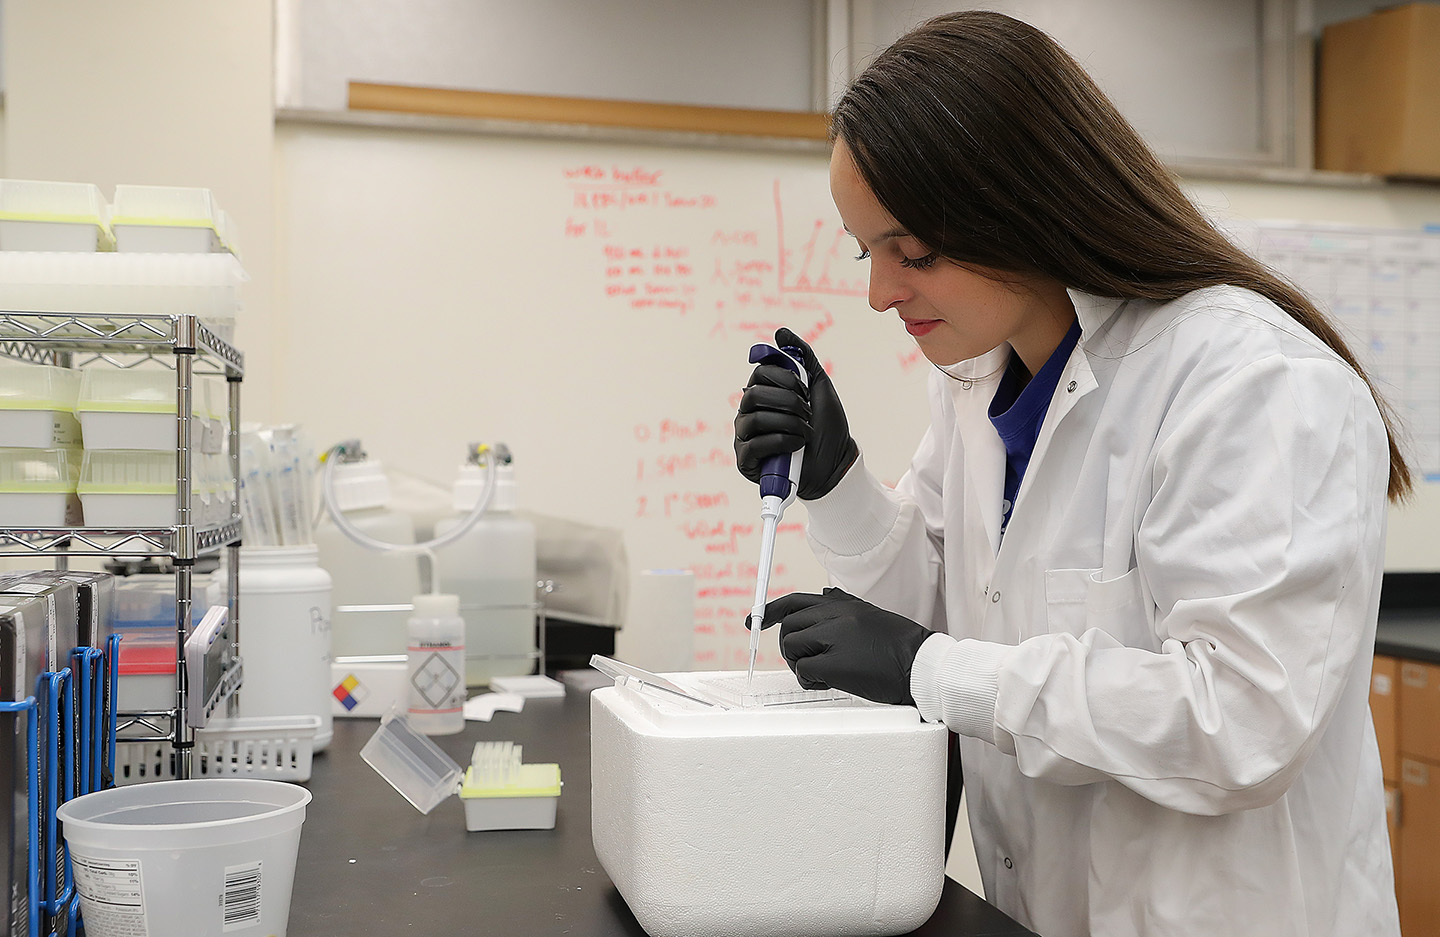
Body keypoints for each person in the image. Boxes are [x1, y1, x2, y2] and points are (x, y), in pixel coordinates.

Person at [733, 11, 1404, 937]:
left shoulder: (1252, 381)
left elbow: (1242, 721)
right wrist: (836, 478)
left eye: (913, 252)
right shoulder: (981, 378)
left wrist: (926, 665)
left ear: (1025, 205)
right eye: (867, 251)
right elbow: (939, 616)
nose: (881, 292)